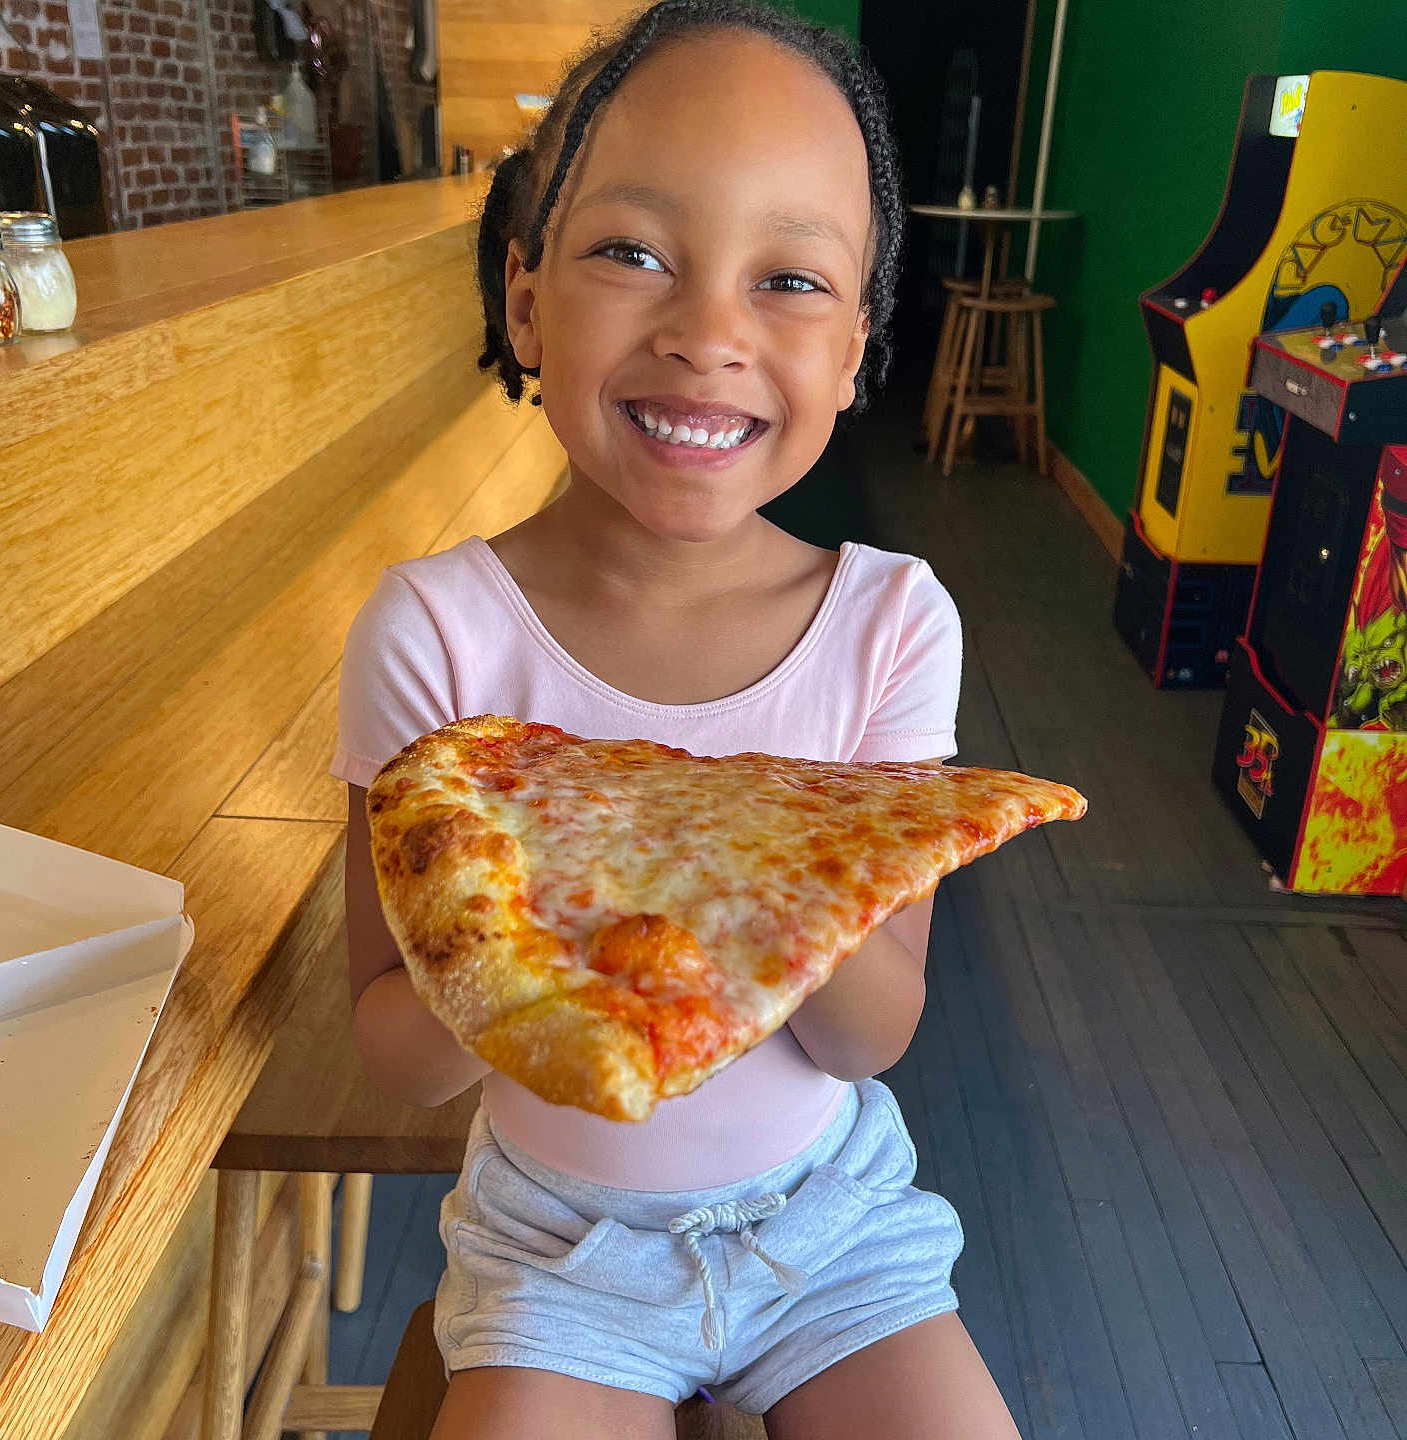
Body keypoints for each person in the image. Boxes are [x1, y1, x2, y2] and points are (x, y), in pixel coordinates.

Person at [330, 3, 1021, 1435]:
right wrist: (531, 929)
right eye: (632, 252)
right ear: (526, 298)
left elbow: (873, 1035)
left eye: (790, 279)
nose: (708, 333)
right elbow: (392, 1051)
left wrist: (749, 862)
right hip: (557, 1245)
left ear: (855, 350)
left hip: (830, 1230)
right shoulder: (438, 634)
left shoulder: (893, 625)